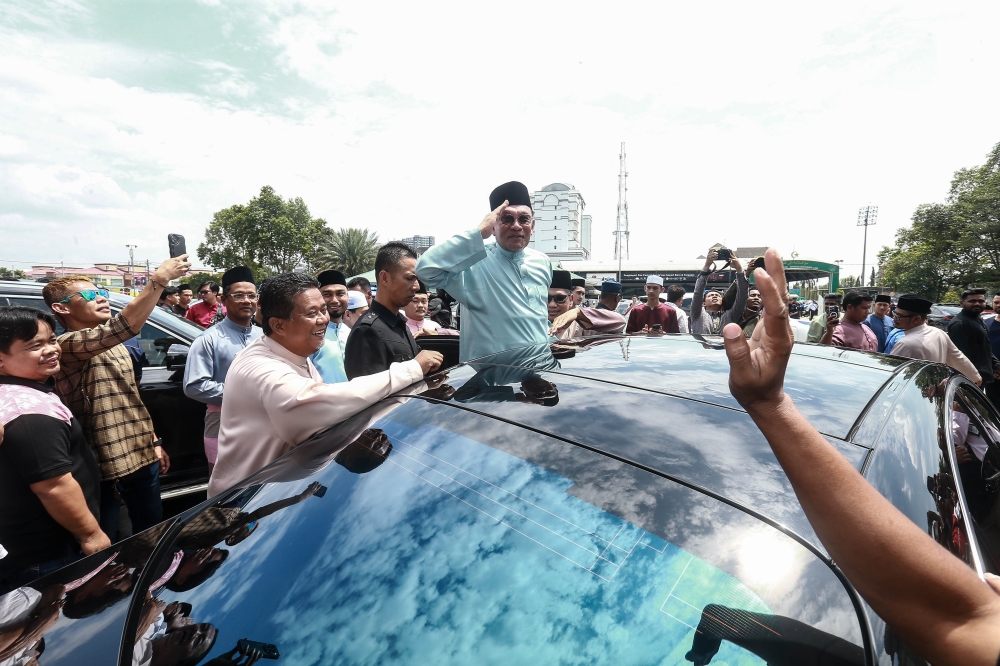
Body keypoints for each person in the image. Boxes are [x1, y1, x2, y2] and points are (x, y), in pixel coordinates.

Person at [722, 250, 1000, 666]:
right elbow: (953, 617)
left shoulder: (900, 341)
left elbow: (953, 617)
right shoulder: (906, 339)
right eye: (872, 307)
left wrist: (769, 405)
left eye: (886, 309)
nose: (881, 313)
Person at [207, 272, 442, 497]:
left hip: (275, 492)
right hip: (242, 504)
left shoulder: (289, 351)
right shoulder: (263, 369)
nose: (324, 319)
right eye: (312, 313)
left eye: (323, 310)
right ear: (278, 325)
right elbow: (320, 403)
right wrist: (411, 370)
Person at [42, 255, 190, 541]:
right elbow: (121, 327)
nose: (101, 298)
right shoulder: (65, 347)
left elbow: (133, 398)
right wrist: (158, 280)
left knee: (152, 531)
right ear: (61, 308)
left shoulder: (119, 347)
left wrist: (154, 441)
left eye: (102, 292)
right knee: (108, 542)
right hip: (103, 468)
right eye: (89, 295)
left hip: (142, 455)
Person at [0, 307, 109, 594]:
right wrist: (91, 535)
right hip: (46, 554)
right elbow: (53, 486)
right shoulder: (28, 412)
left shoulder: (23, 392)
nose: (51, 350)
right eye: (35, 345)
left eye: (52, 339)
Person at [415, 181, 552, 362]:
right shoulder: (474, 262)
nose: (516, 225)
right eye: (507, 218)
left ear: (532, 226)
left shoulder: (542, 262)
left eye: (523, 219)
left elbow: (538, 318)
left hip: (539, 369)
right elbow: (425, 269)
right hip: (492, 374)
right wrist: (479, 232)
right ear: (493, 226)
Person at [182, 267, 263, 474]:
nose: (246, 301)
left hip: (263, 422)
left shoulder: (263, 336)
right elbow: (194, 386)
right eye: (238, 295)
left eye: (251, 295)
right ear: (224, 300)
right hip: (223, 423)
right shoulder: (208, 339)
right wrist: (245, 394)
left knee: (261, 484)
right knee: (225, 485)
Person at [346, 243, 425, 379]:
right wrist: (417, 366)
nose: (416, 286)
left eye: (416, 279)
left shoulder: (399, 323)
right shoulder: (367, 331)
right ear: (384, 278)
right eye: (409, 278)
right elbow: (367, 389)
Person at [888, 294, 981, 383]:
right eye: (894, 314)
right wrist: (975, 377)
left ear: (916, 319)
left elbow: (891, 374)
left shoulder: (905, 343)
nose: (894, 318)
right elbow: (958, 358)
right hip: (936, 388)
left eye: (899, 316)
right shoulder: (938, 332)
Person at [949, 288, 1000, 396]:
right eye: (972, 301)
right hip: (970, 379)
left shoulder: (978, 320)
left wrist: (996, 366)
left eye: (981, 301)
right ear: (962, 303)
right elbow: (960, 357)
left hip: (982, 376)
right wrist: (973, 376)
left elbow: (985, 348)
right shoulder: (960, 324)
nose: (977, 303)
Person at [690, 248, 748, 335]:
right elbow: (698, 293)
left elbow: (742, 297)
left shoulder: (731, 315)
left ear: (722, 301)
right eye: (710, 295)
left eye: (718, 296)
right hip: (701, 344)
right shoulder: (697, 314)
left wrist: (739, 268)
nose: (715, 296)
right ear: (703, 303)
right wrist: (707, 265)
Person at [548, 277, 626, 340]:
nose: (552, 305)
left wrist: (577, 313)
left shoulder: (578, 324)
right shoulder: (539, 325)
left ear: (571, 299)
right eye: (546, 298)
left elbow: (620, 322)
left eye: (560, 298)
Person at [310, 270, 351, 384]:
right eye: (327, 294)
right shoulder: (310, 335)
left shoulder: (352, 333)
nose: (334, 300)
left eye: (340, 294)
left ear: (347, 296)